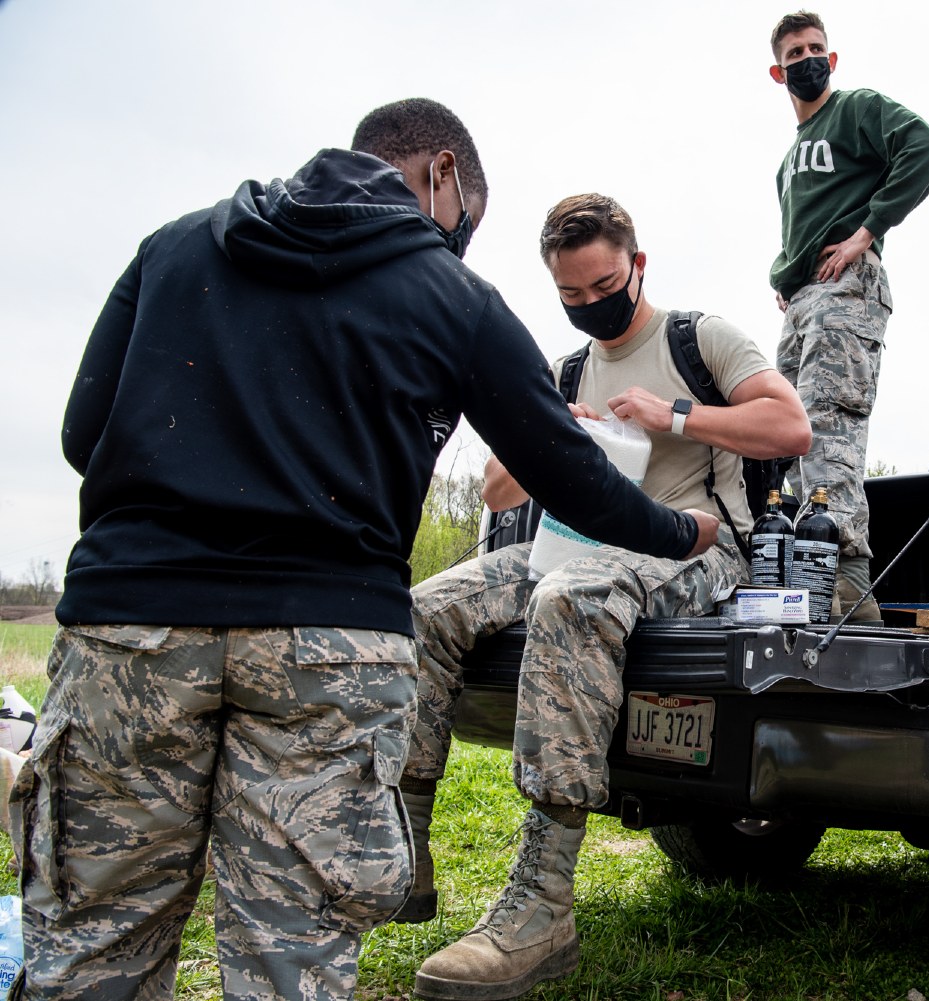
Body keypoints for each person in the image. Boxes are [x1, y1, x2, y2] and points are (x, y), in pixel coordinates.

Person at [21, 100, 720, 1001]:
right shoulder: (452, 296)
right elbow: (572, 475)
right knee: (293, 951)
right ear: (439, 175)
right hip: (327, 647)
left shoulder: (174, 248)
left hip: (132, 628)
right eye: (469, 212)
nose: (462, 235)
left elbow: (87, 433)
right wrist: (679, 530)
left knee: (94, 939)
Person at [400, 193, 809, 1000]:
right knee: (427, 605)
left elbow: (789, 427)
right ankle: (403, 841)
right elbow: (492, 491)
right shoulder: (568, 369)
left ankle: (543, 900)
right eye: (572, 296)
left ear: (637, 265)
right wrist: (554, 429)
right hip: (577, 544)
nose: (592, 305)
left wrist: (677, 415)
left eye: (604, 285)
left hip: (697, 544)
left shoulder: (700, 338)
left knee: (570, 600)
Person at [767, 10, 929, 620]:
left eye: (816, 48)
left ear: (832, 59)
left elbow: (926, 148)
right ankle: (798, 562)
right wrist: (786, 277)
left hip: (847, 286)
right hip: (804, 298)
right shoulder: (787, 160)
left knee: (826, 426)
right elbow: (800, 226)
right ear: (777, 70)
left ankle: (846, 581)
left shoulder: (855, 108)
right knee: (779, 434)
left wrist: (866, 233)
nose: (807, 58)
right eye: (795, 53)